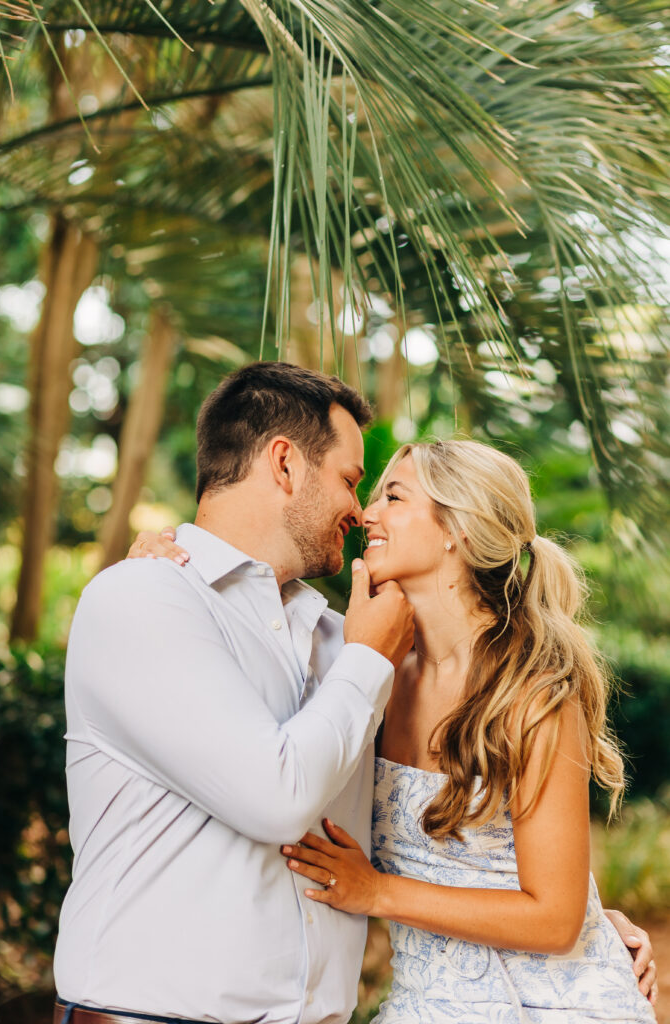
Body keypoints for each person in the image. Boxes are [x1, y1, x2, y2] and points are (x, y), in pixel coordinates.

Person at [135, 424, 658, 1014]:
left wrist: (378, 891)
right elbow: (245, 640)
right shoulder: (361, 667)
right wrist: (165, 567)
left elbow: (555, 921)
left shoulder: (533, 694)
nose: (364, 514)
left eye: (393, 496)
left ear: (457, 530)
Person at [53, 361, 416, 1024]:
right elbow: (276, 798)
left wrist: (582, 937)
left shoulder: (344, 641)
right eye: (348, 479)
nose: (359, 512)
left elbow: (432, 822)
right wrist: (367, 658)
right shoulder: (141, 598)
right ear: (284, 464)